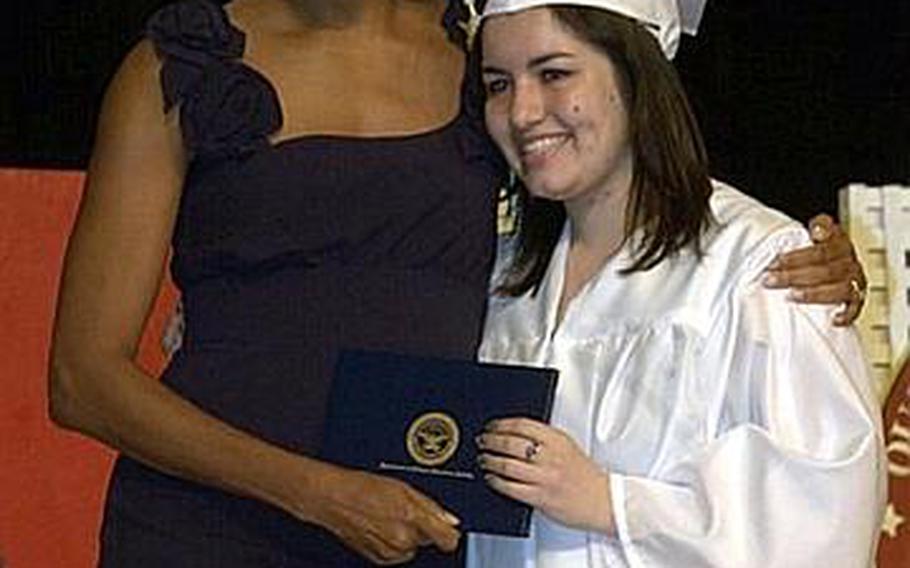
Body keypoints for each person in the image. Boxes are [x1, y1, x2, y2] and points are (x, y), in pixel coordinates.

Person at [47, 0, 868, 566]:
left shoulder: (475, 46)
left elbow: (611, 179)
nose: (521, 106)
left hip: (418, 535)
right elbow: (82, 379)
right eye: (507, 89)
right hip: (212, 531)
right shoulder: (185, 64)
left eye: (539, 79)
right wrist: (317, 492)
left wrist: (811, 258)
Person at [470, 1, 885, 567]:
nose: (521, 111)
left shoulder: (757, 266)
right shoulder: (505, 277)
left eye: (554, 74)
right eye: (498, 84)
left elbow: (823, 520)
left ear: (637, 77)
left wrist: (611, 502)